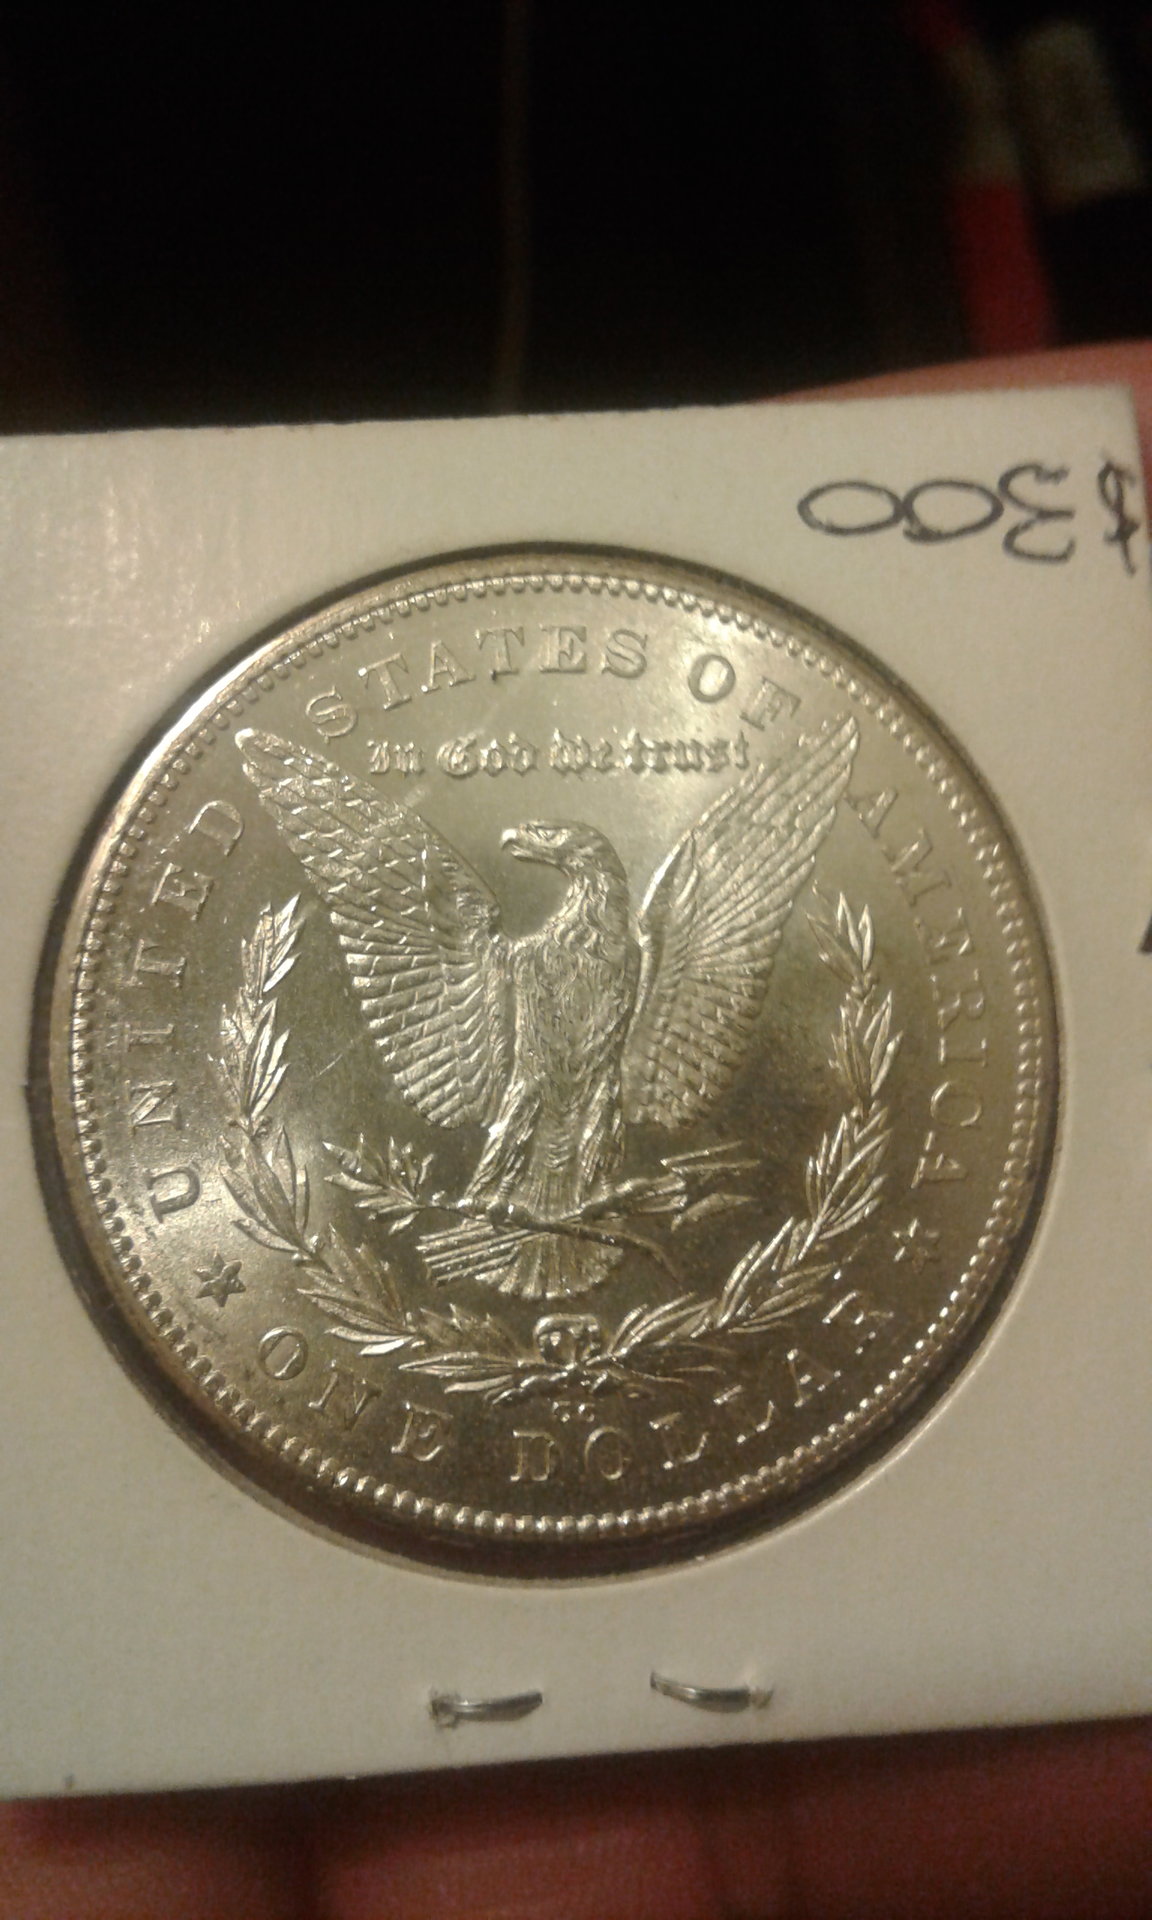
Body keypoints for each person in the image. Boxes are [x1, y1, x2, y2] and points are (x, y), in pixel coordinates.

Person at [2, 344, 1148, 1920]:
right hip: (511, 1155)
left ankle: (568, 1199)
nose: (559, 862)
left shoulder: (655, 933)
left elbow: (731, 880)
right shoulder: (486, 944)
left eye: (571, 854)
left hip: (596, 1151)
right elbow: (377, 876)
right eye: (552, 852)